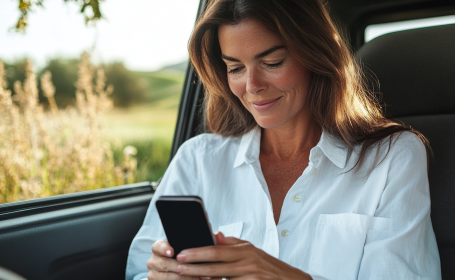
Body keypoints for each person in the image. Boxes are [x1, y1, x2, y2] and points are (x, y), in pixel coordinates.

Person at [126, 0, 441, 279]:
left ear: (314, 54)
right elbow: (140, 271)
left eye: (272, 63)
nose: (252, 86)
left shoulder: (392, 158)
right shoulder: (197, 159)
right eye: (235, 68)